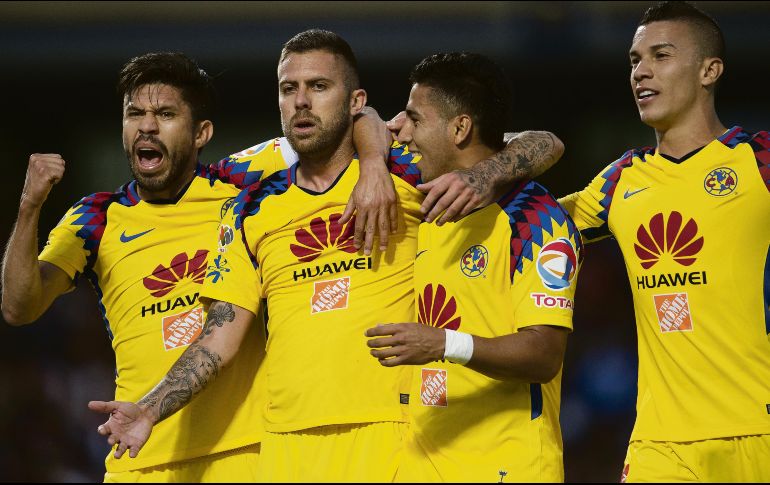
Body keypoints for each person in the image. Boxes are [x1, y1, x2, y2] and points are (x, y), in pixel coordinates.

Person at [87, 30, 566, 482]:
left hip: (395, 437)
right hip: (284, 447)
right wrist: (149, 408)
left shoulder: (410, 169)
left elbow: (543, 142)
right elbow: (218, 340)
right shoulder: (248, 207)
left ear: (356, 102)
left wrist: (478, 176)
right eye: (288, 88)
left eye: (318, 86)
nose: (301, 101)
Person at [0, 51, 401, 482]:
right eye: (134, 114)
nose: (147, 126)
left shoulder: (241, 181)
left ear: (200, 133)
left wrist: (374, 163)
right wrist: (29, 207)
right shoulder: (94, 218)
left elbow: (354, 119)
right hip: (140, 454)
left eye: (166, 113)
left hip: (244, 453)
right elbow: (19, 308)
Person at [556, 2, 770, 482]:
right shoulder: (618, 182)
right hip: (660, 444)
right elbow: (529, 225)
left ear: (709, 70)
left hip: (759, 429)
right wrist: (513, 152)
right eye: (634, 60)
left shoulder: (758, 162)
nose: (641, 72)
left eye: (661, 55)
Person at [365, 52, 582, 482]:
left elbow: (544, 354)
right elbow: (360, 118)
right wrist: (374, 150)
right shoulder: (423, 196)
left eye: (415, 119)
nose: (404, 133)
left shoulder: (534, 218)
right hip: (423, 464)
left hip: (506, 466)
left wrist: (444, 344)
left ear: (460, 127)